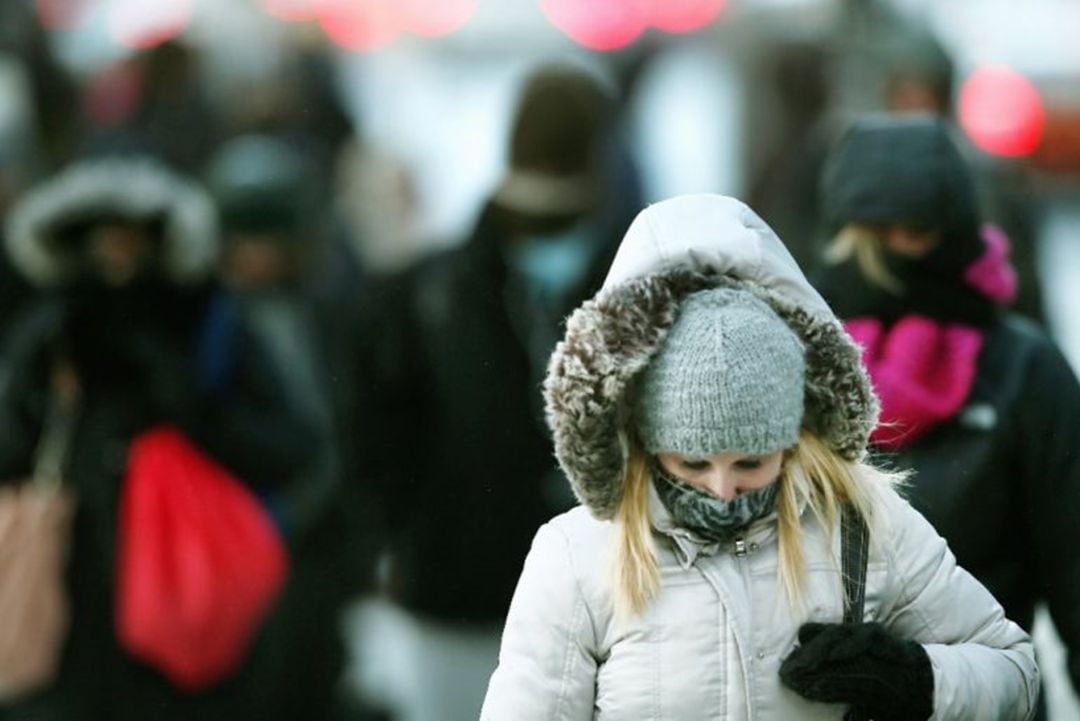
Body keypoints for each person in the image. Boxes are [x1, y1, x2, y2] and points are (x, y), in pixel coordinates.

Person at [481, 194, 1038, 720]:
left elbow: (1014, 667)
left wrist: (915, 680)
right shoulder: (577, 559)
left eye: (751, 462)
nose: (723, 488)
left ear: (793, 440)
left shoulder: (864, 528)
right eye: (693, 463)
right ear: (646, 441)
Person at [350, 63, 642, 721]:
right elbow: (374, 445)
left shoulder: (622, 287)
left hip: (593, 609)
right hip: (465, 604)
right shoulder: (426, 299)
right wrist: (405, 543)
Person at [0, 156, 321, 721]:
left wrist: (189, 408)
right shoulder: (51, 334)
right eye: (103, 243)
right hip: (71, 619)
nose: (117, 260)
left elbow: (292, 448)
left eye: (131, 241)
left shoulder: (212, 326)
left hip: (194, 618)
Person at [814, 115, 1080, 720]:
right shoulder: (799, 360)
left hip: (983, 696)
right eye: (871, 233)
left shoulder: (1022, 369)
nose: (886, 257)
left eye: (915, 230)